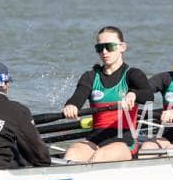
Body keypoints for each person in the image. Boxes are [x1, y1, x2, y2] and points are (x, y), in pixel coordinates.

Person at [63, 26, 153, 163]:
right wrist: (71, 106)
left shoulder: (133, 74)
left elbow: (148, 95)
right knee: (72, 152)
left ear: (122, 47)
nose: (104, 52)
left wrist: (133, 94)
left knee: (101, 155)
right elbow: (77, 98)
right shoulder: (90, 77)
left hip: (125, 141)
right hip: (95, 139)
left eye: (109, 47)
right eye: (100, 48)